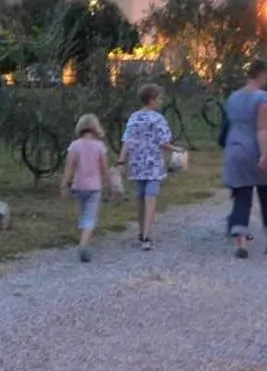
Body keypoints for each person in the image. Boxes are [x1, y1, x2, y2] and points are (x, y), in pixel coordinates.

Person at [221, 60, 267, 257]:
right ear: (262, 74)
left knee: (242, 196)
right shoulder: (263, 98)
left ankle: (241, 245)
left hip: (235, 149)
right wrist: (264, 154)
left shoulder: (233, 97)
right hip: (255, 150)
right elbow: (262, 128)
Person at [117, 83, 178, 251]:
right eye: (159, 98)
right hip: (153, 165)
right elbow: (164, 143)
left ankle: (140, 229)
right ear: (151, 99)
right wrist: (177, 149)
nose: (161, 101)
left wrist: (121, 161)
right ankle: (146, 235)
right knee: (151, 199)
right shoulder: (158, 119)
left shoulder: (134, 117)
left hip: (137, 164)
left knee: (141, 199)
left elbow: (127, 141)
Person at [59, 113, 110, 262]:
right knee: (91, 216)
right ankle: (83, 244)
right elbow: (104, 169)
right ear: (96, 128)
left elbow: (69, 168)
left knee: (83, 214)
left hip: (78, 185)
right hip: (94, 187)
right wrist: (108, 184)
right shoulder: (100, 146)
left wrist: (63, 186)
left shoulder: (74, 145)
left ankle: (85, 238)